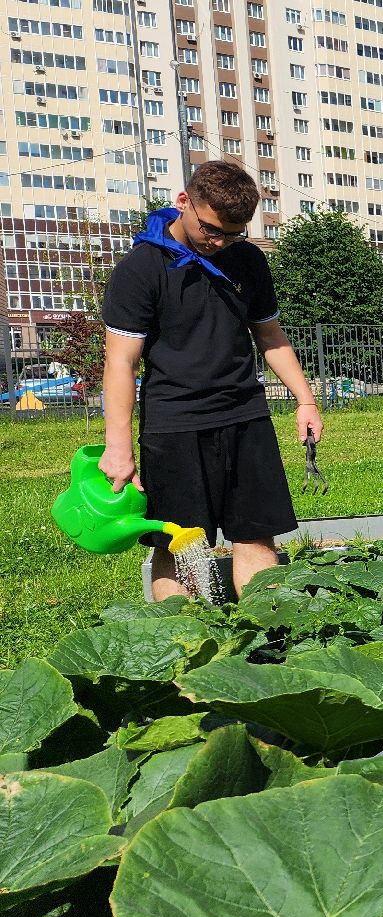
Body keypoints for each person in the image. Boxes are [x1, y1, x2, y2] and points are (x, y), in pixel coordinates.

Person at [99, 160, 323, 597]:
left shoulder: (247, 259)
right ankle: (183, 652)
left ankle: (261, 642)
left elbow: (270, 335)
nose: (219, 242)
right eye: (210, 229)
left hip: (245, 414)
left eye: (233, 233)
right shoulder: (141, 269)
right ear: (184, 202)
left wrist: (305, 399)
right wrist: (118, 448)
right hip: (174, 424)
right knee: (180, 546)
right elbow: (120, 363)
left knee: (257, 536)